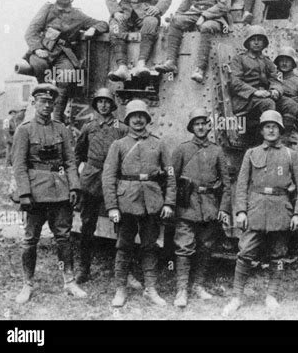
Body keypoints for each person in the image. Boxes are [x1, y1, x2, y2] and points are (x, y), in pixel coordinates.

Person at [222, 110, 298, 315]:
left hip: (281, 210)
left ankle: (272, 295)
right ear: (261, 130)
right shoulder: (251, 153)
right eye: (267, 126)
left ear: (280, 130)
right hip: (256, 210)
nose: (270, 130)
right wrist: (240, 211)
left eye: (274, 126)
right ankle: (237, 297)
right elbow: (241, 185)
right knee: (245, 253)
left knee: (278, 255)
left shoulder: (290, 155)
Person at [12, 84, 86, 304]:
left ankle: (69, 281)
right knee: (30, 240)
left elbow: (70, 162)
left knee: (63, 238)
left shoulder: (61, 129)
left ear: (55, 104)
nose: (46, 106)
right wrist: (24, 194)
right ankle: (27, 284)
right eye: (42, 102)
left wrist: (74, 187)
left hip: (60, 193)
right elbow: (19, 165)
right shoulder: (24, 130)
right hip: (34, 194)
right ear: (34, 103)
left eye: (50, 102)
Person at [102, 99, 176, 307]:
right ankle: (120, 289)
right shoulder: (119, 145)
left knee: (150, 246)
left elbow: (170, 175)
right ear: (127, 120)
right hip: (126, 202)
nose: (137, 120)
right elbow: (108, 177)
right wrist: (112, 207)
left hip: (152, 202)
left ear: (147, 119)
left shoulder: (159, 144)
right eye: (133, 116)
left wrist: (169, 203)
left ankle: (150, 288)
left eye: (141, 116)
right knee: (124, 246)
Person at [24, 0, 109, 122]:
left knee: (68, 76)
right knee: (40, 67)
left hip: (63, 54)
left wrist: (94, 29)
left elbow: (103, 24)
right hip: (43, 48)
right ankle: (42, 112)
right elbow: (31, 32)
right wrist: (37, 49)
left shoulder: (78, 15)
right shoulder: (47, 9)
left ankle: (57, 117)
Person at [171, 107, 231, 307]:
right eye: (196, 124)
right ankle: (181, 290)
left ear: (209, 126)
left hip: (209, 207)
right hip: (187, 206)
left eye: (204, 123)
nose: (200, 127)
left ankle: (198, 285)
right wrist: (171, 204)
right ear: (191, 127)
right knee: (184, 247)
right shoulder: (182, 149)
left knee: (205, 247)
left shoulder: (216, 150)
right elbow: (172, 179)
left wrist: (222, 208)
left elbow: (226, 184)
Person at [74, 88, 131, 284]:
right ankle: (84, 268)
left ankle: (124, 271)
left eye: (107, 102)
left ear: (112, 105)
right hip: (90, 181)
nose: (103, 105)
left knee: (121, 225)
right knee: (87, 224)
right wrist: (78, 177)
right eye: (100, 101)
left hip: (113, 181)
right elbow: (77, 155)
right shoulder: (88, 127)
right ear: (96, 104)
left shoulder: (122, 128)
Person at [155, 0, 231, 84]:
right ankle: (171, 61)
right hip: (195, 13)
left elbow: (224, 5)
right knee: (176, 21)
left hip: (215, 16)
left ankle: (200, 69)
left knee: (207, 27)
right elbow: (184, 5)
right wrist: (174, 19)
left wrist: (206, 15)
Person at [229, 25, 283, 142]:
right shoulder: (239, 59)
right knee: (268, 104)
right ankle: (269, 140)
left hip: (263, 95)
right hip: (244, 99)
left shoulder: (267, 61)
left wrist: (275, 90)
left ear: (264, 43)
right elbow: (235, 82)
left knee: (287, 103)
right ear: (248, 42)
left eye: (260, 40)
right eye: (253, 39)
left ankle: (285, 137)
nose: (257, 43)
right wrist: (255, 92)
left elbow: (276, 79)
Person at [274, 46, 298, 146]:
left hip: (288, 131)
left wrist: (295, 128)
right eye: (281, 60)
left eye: (287, 60)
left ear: (293, 63)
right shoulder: (273, 80)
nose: (284, 63)